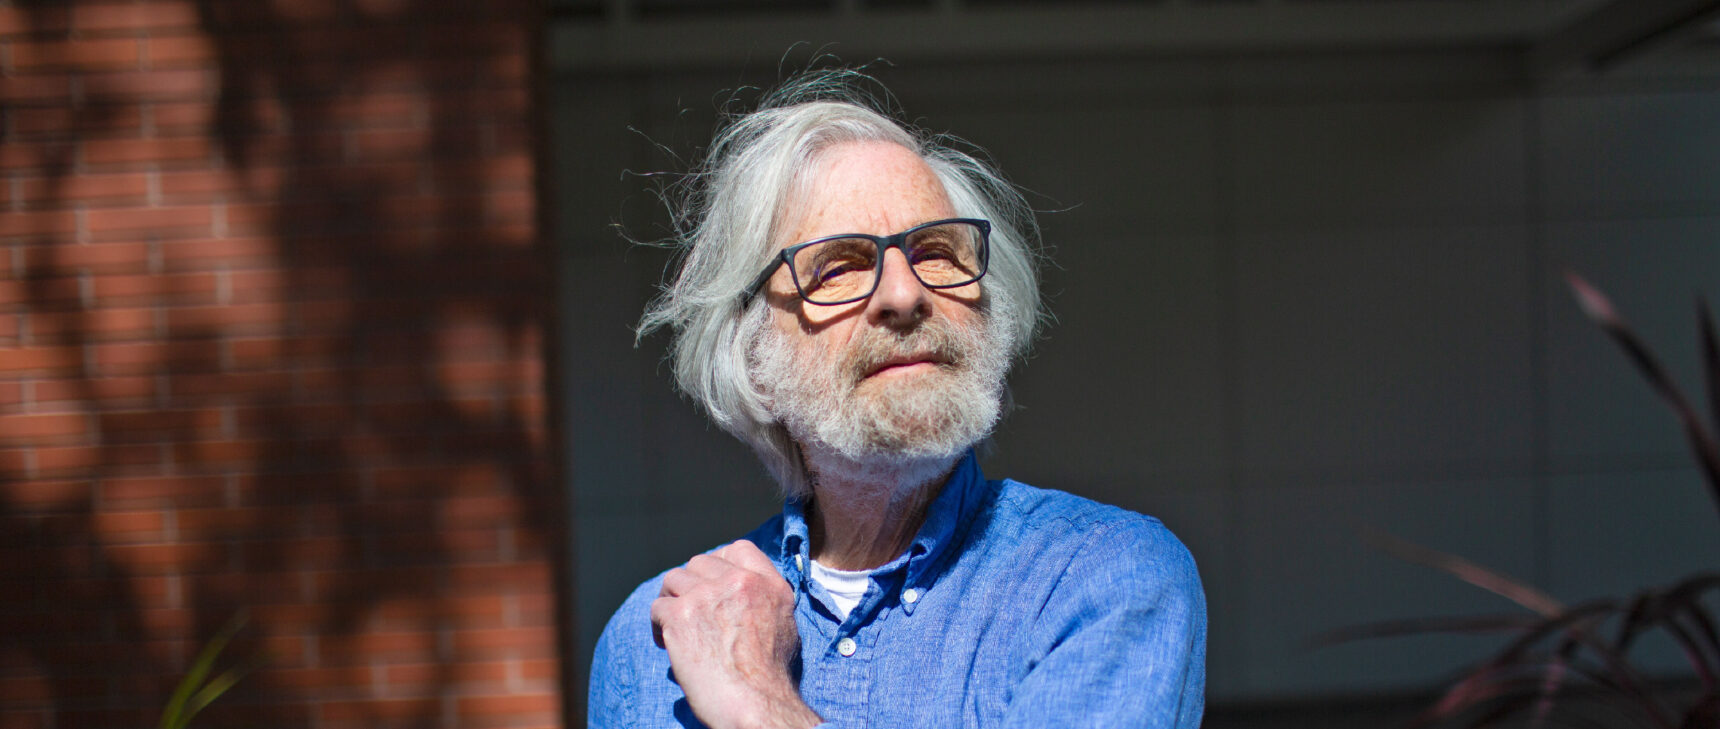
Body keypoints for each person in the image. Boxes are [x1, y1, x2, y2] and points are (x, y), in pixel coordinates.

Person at [590, 68, 1206, 729]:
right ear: (753, 357)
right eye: (839, 265)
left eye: (936, 251)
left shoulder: (1099, 579)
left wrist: (756, 705)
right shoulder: (656, 640)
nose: (905, 295)